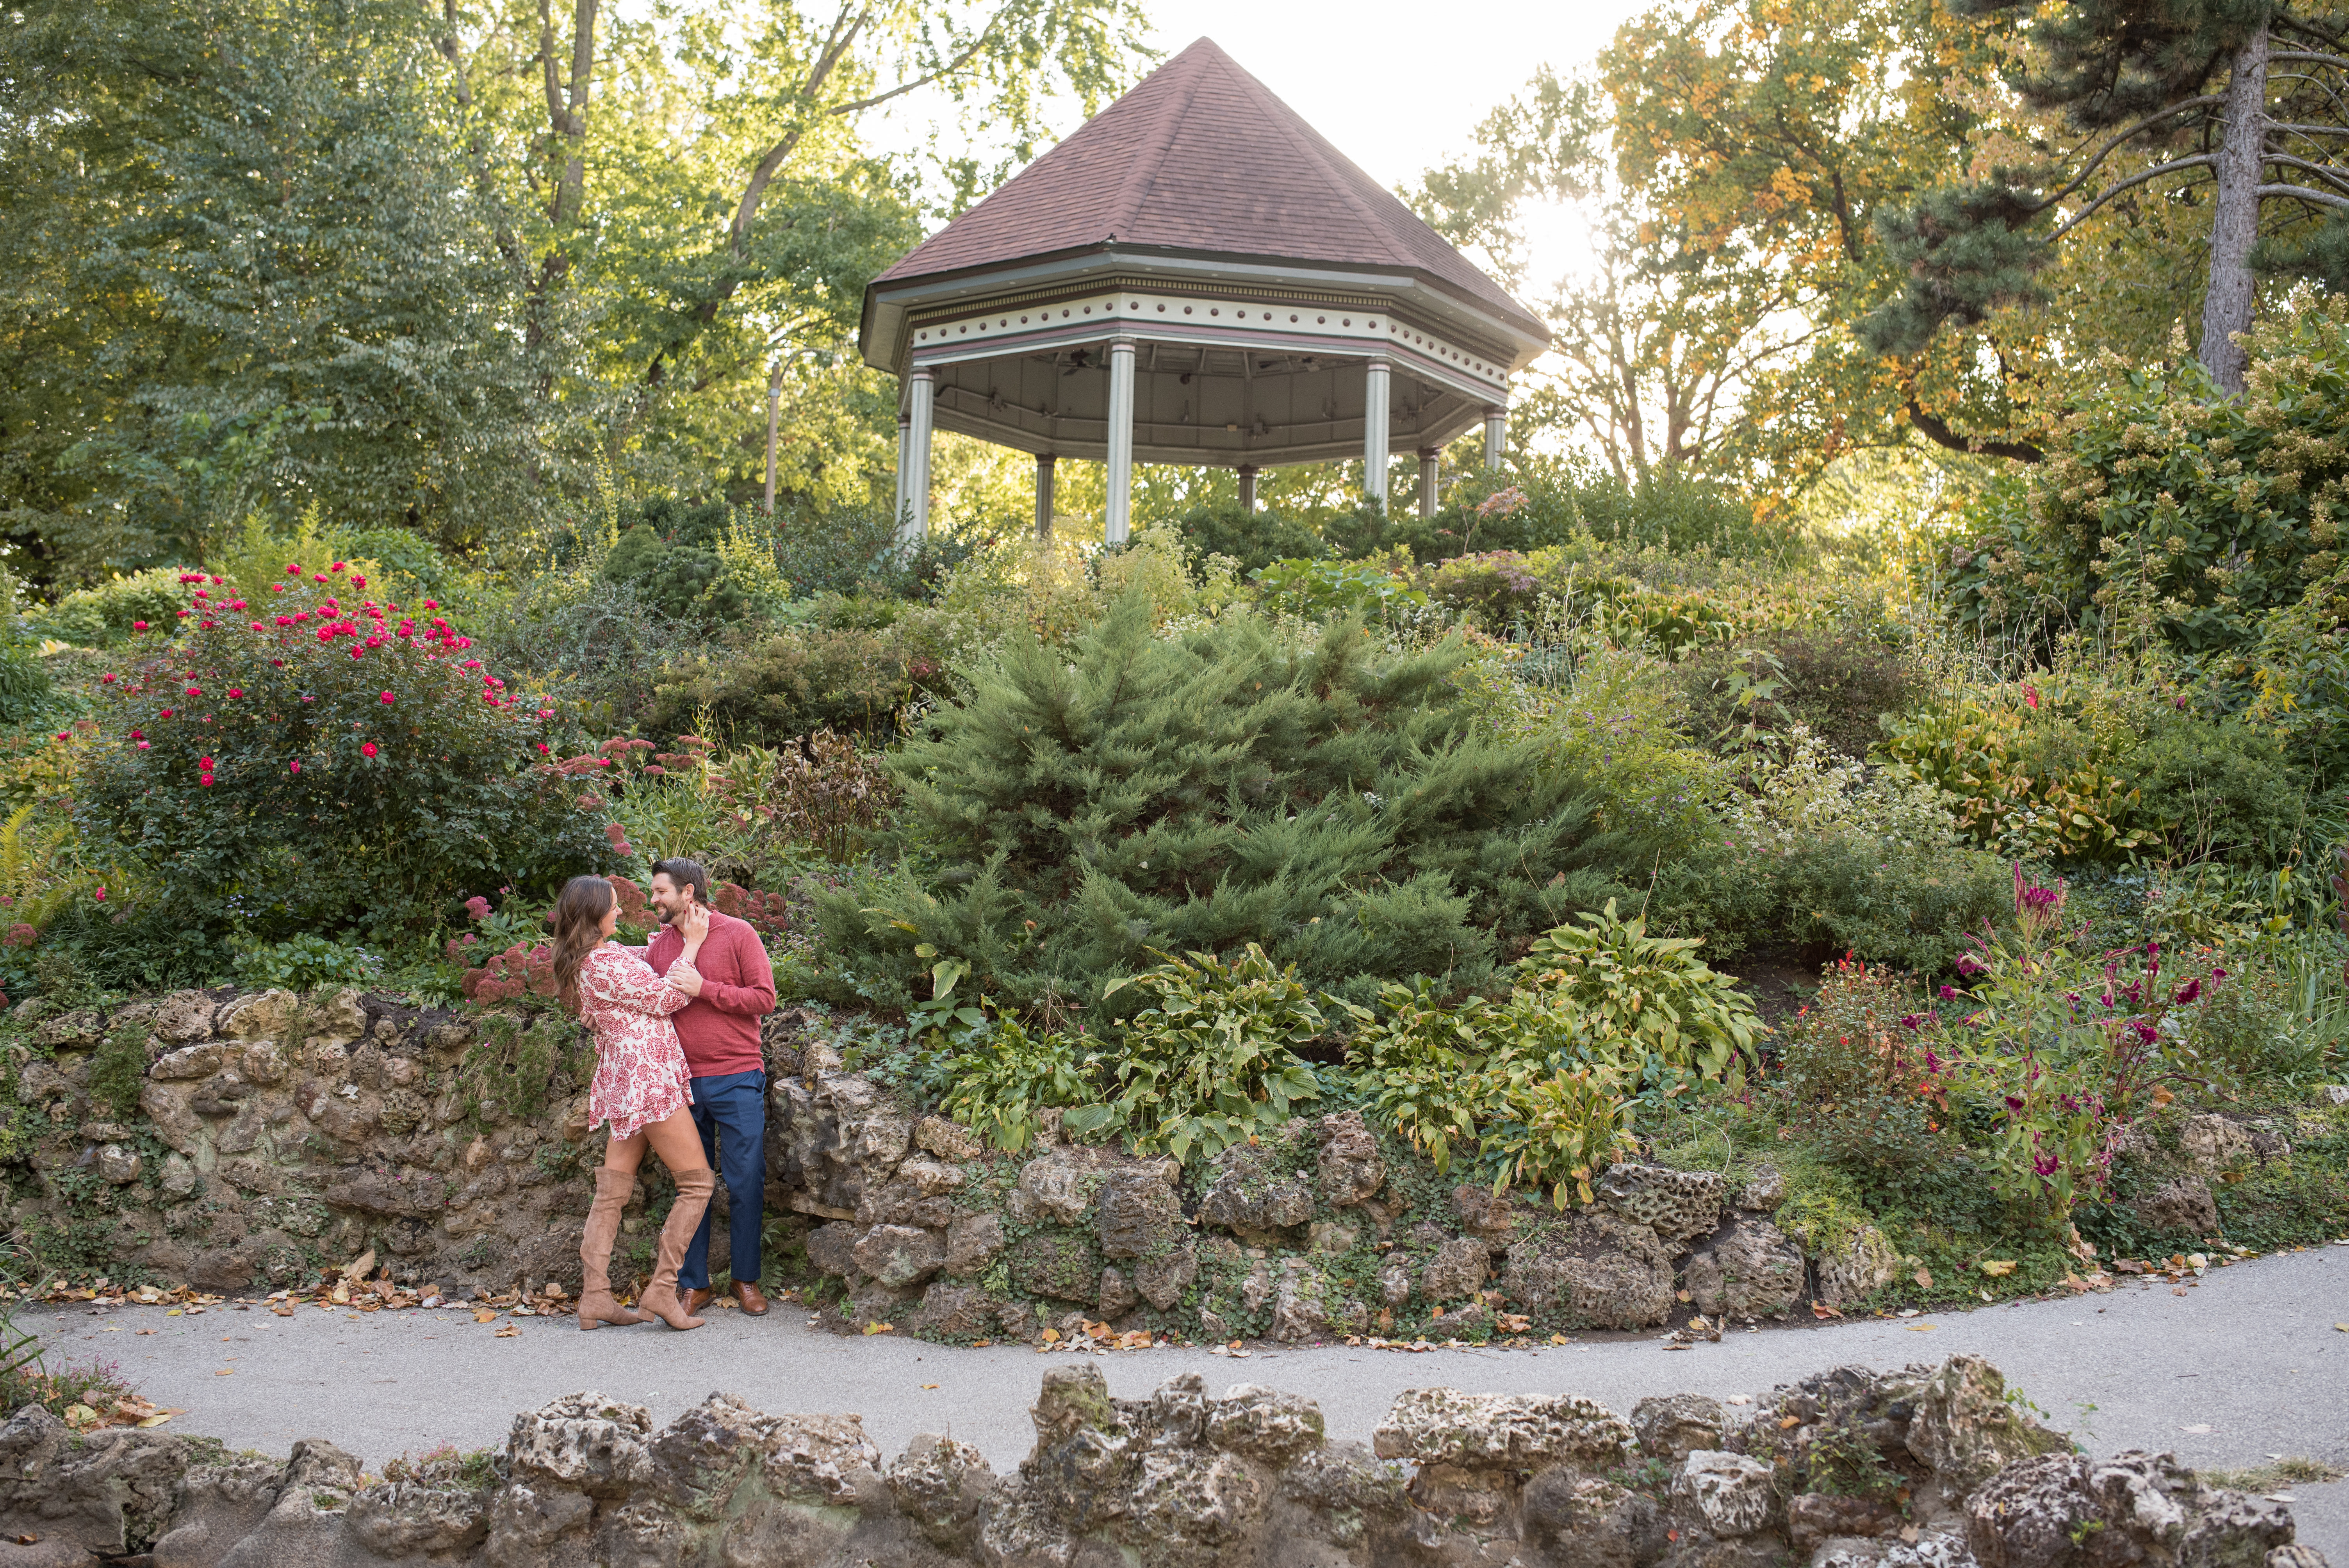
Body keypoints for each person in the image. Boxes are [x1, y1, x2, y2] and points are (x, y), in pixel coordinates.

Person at [547, 874, 715, 1332]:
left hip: (625, 1080)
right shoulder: (602, 965)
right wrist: (695, 942)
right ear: (593, 914)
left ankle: (595, 1296)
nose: (621, 911)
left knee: (611, 1192)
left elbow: (643, 959)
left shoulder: (600, 957)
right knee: (697, 1183)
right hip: (648, 1079)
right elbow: (668, 996)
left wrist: (671, 935)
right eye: (615, 907)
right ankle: (663, 1289)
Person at [642, 858, 777, 1316]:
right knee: (692, 1184)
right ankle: (693, 1285)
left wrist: (705, 988)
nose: (653, 899)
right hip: (681, 1082)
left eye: (661, 891)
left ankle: (746, 1279)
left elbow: (765, 998)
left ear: (688, 892)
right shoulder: (660, 946)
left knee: (746, 1181)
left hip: (738, 1075)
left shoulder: (739, 933)